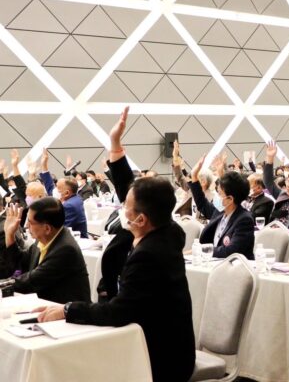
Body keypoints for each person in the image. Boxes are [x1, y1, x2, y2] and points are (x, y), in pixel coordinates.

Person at [35, 131, 196, 381]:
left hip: (160, 355)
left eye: (126, 208)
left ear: (140, 219)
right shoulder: (166, 229)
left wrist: (68, 309)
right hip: (153, 339)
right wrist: (116, 147)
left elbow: (118, 312)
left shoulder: (150, 254)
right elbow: (128, 189)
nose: (122, 209)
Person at [2, 197, 90, 303]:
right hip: (47, 304)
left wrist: (2, 284)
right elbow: (20, 263)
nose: (26, 226)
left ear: (47, 228)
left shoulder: (65, 249)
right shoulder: (45, 239)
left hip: (66, 310)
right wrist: (9, 234)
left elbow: (31, 281)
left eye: (30, 222)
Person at [190, 155, 255, 259]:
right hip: (213, 262)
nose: (217, 196)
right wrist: (194, 176)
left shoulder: (244, 220)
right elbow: (202, 204)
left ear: (230, 199)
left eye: (219, 193)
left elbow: (231, 251)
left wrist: (202, 250)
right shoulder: (220, 211)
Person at [40, 149, 88, 238]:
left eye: (58, 188)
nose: (55, 190)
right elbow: (51, 188)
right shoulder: (74, 197)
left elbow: (58, 230)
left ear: (66, 193)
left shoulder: (69, 206)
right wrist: (44, 165)